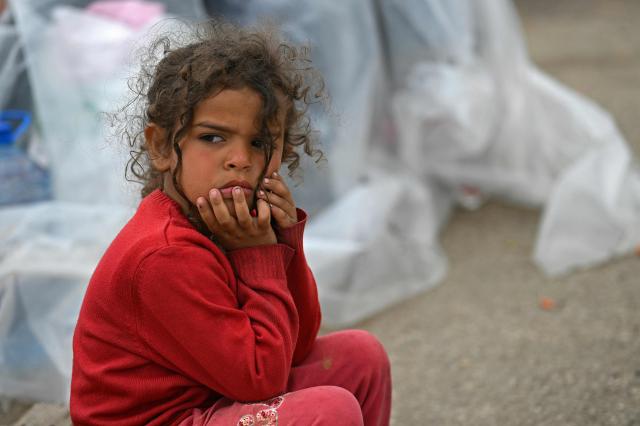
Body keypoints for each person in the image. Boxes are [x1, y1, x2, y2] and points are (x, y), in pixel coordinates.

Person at [70, 19, 391, 426]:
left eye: (259, 143)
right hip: (168, 419)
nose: (239, 159)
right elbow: (260, 380)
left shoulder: (229, 228)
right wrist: (258, 256)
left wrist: (283, 244)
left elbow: (297, 343)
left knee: (361, 356)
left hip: (213, 398)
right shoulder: (165, 254)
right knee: (329, 411)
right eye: (213, 138)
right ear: (162, 147)